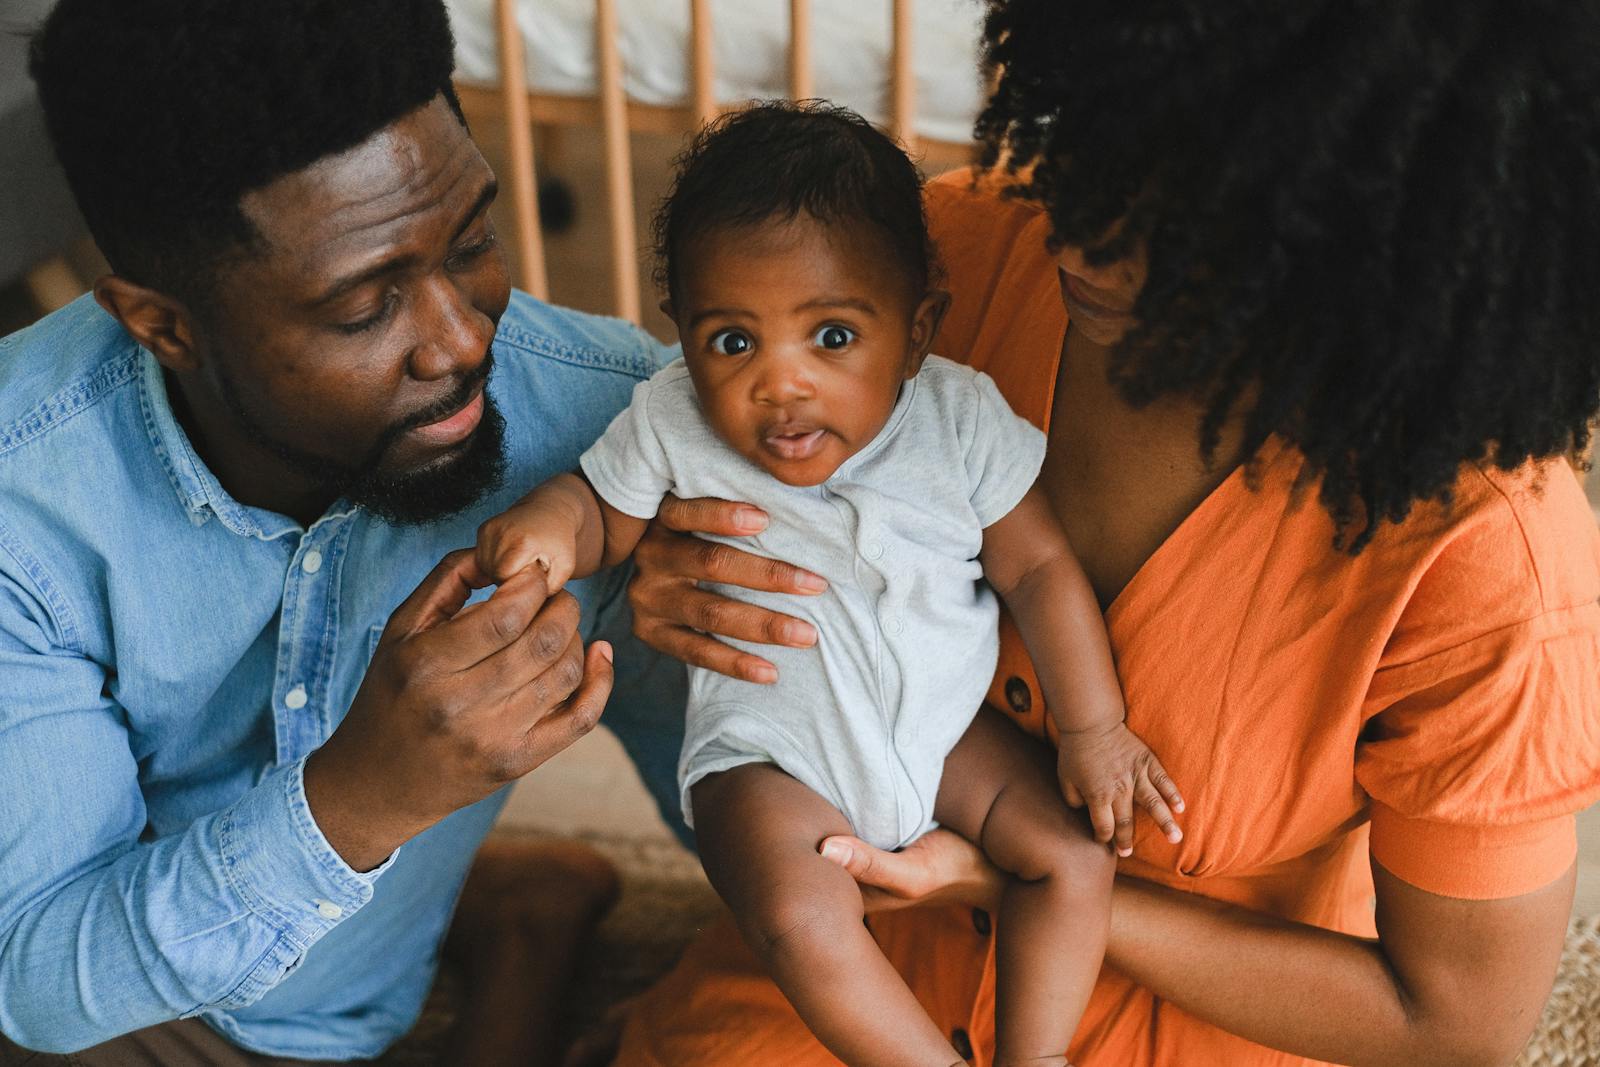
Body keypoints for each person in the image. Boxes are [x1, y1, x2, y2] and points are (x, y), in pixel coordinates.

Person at [613, 1, 1600, 1065]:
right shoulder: (943, 259)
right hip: (865, 960)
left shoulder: (1487, 550)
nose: (1078, 233)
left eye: (1176, 219)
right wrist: (677, 563)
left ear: (1365, 231)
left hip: (1197, 1018)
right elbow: (716, 439)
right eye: (1079, 150)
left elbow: (1456, 1022)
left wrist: (1019, 878)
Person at [0, 1, 686, 1063]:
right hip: (115, 1001)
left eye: (471, 243)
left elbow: (771, 801)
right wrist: (359, 800)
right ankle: (515, 922)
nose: (463, 341)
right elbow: (41, 980)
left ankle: (505, 915)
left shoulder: (612, 431)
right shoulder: (24, 509)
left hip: (340, 983)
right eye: (365, 309)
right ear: (164, 326)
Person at [477, 102, 1183, 1067]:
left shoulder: (960, 423)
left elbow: (1038, 566)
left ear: (918, 328)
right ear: (682, 333)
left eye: (833, 337)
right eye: (733, 341)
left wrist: (1095, 729)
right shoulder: (675, 419)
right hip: (769, 755)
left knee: (1069, 854)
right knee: (799, 917)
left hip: (943, 734)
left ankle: (1037, 1054)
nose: (781, 383)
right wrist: (550, 531)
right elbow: (603, 511)